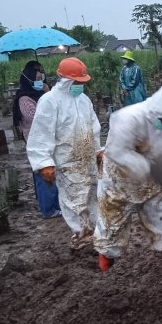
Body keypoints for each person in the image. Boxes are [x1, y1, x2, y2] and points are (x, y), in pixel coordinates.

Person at [93, 83, 162, 271]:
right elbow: (117, 152)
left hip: (154, 184)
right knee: (112, 229)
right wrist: (147, 168)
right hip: (119, 181)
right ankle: (107, 266)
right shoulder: (128, 118)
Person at [26, 57, 102, 250]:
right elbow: (41, 134)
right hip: (67, 160)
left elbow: (94, 128)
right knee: (75, 202)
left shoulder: (83, 100)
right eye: (77, 82)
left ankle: (95, 235)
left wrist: (98, 151)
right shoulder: (50, 101)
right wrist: (44, 163)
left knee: (93, 197)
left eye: (82, 82)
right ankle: (81, 239)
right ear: (66, 80)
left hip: (88, 159)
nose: (80, 85)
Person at [12, 60, 60, 219]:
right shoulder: (24, 99)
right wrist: (47, 95)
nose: (40, 81)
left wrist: (48, 94)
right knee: (44, 174)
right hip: (37, 142)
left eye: (42, 78)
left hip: (50, 140)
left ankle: (53, 205)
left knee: (53, 174)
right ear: (29, 80)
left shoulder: (45, 94)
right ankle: (48, 209)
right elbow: (39, 118)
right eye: (37, 79)